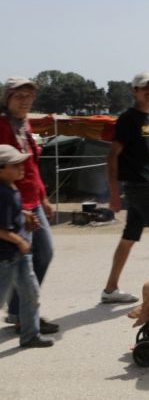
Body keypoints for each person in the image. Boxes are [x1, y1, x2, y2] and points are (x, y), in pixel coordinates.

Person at [101, 72, 149, 304]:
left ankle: (110, 289)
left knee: (129, 237)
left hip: (146, 185)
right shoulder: (127, 119)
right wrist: (114, 194)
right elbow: (112, 156)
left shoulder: (146, 120)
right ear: (134, 91)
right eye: (145, 88)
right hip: (139, 187)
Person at [0, 76, 59, 335]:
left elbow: (31, 165)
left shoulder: (25, 123)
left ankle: (20, 312)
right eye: (19, 96)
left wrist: (44, 197)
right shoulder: (1, 126)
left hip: (33, 200)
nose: (25, 101)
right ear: (7, 98)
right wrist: (17, 207)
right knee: (22, 259)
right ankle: (23, 314)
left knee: (41, 254)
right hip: (14, 203)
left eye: (29, 96)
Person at [0, 145, 54, 347]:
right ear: (1, 169)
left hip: (20, 255)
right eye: (15, 165)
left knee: (30, 293)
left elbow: (11, 216)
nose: (22, 167)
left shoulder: (12, 188)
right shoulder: (2, 194)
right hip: (5, 258)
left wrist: (24, 215)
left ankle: (30, 336)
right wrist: (21, 241)